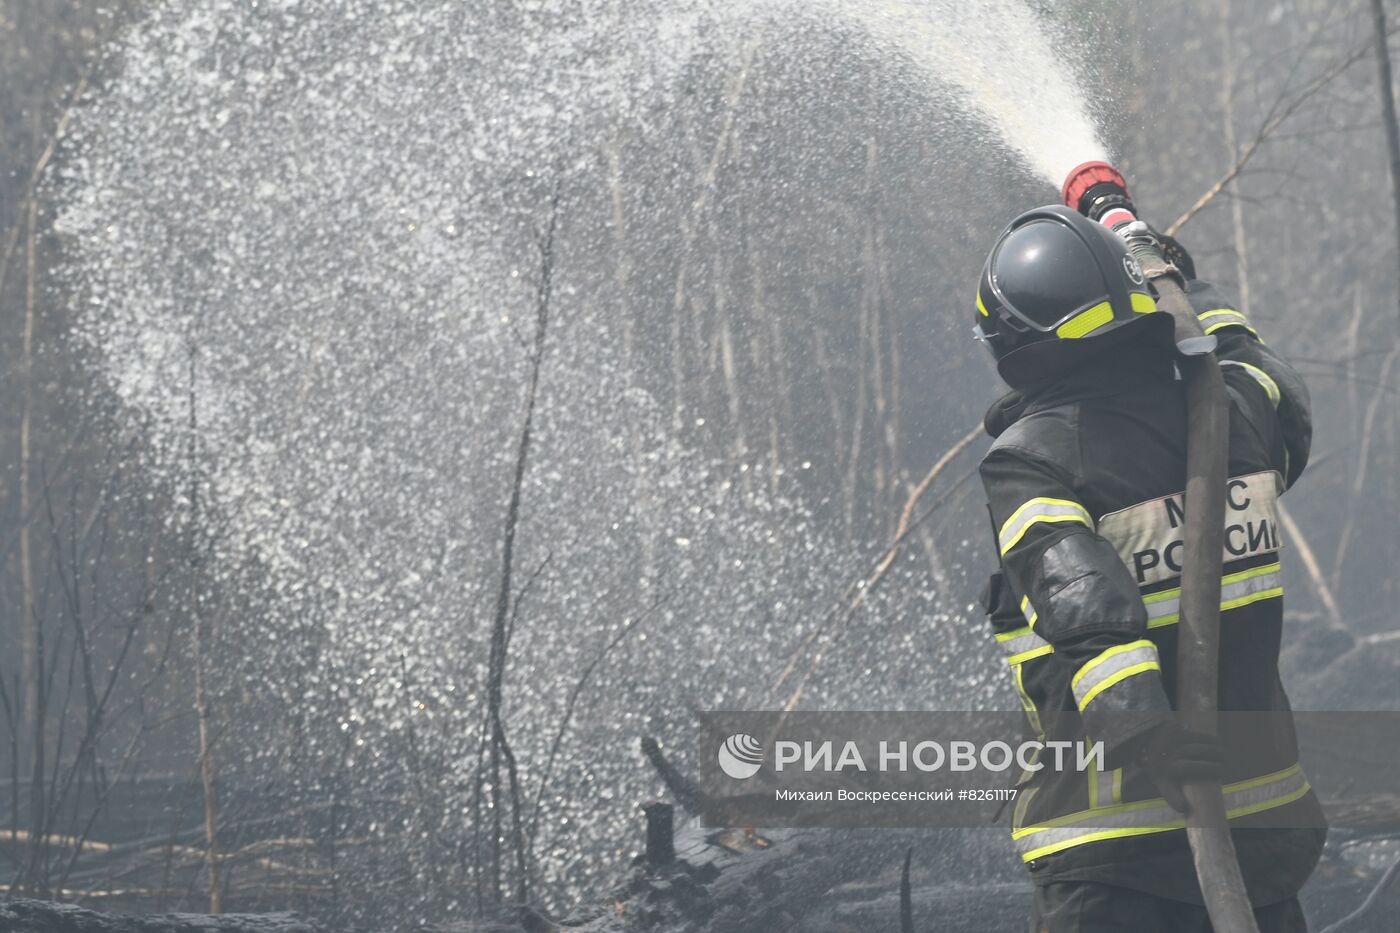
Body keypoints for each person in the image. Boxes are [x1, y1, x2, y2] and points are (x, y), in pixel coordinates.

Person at [973, 205, 1327, 932]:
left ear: (1014, 342)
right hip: (1259, 839)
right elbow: (1263, 375)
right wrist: (1184, 284)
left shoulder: (1031, 461)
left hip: (1115, 852)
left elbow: (1087, 612)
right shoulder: (1231, 419)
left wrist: (1150, 739)